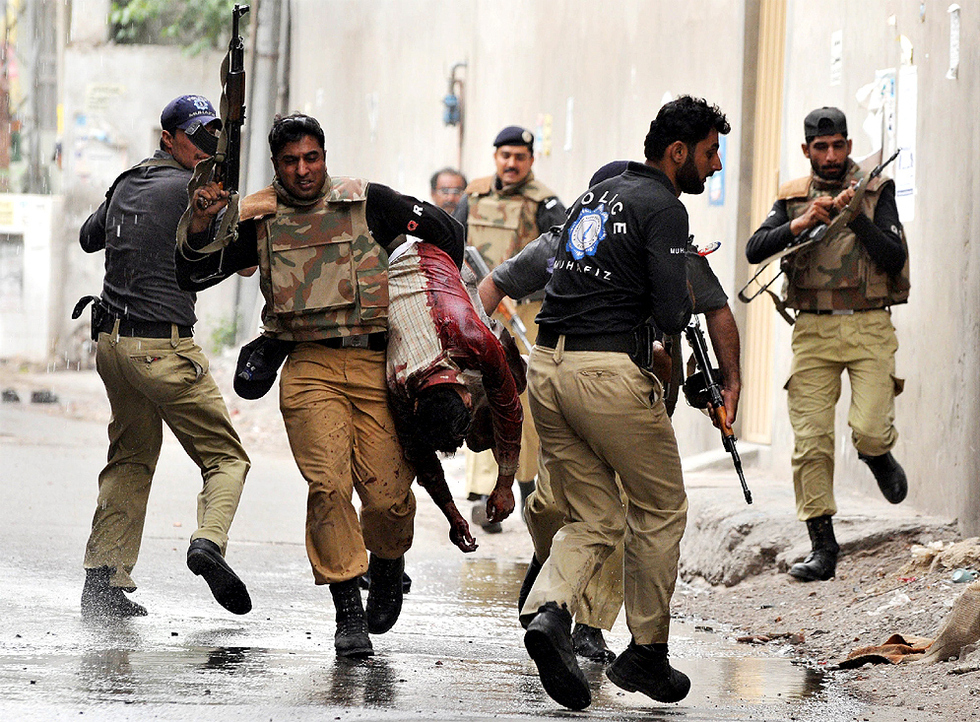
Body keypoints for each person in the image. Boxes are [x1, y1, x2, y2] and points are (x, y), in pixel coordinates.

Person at [175, 113, 464, 659]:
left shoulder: (368, 202)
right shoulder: (257, 218)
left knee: (388, 498)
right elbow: (193, 274)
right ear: (275, 166)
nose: (302, 171)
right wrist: (198, 223)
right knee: (327, 487)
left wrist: (431, 300)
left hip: (377, 368)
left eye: (312, 158)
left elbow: (447, 233)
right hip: (308, 369)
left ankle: (386, 563)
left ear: (325, 157)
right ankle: (346, 612)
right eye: (290, 161)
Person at [479, 162, 741, 665]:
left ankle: (590, 626)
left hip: (633, 394)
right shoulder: (564, 240)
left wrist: (726, 380)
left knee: (621, 510)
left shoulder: (665, 242)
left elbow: (714, 306)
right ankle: (552, 577)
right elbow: (499, 281)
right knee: (554, 506)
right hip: (573, 389)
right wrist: (479, 354)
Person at [518, 96, 730, 710]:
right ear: (678, 151)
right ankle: (647, 653)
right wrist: (677, 375)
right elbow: (671, 311)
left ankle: (553, 617)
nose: (714, 168)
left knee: (595, 516)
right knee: (660, 508)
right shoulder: (663, 205)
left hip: (548, 370)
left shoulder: (598, 195)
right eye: (710, 153)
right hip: (606, 374)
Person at [78, 94, 252, 621]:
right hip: (162, 348)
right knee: (226, 459)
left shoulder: (129, 180)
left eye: (212, 138)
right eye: (197, 138)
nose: (206, 148)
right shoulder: (198, 191)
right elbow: (243, 267)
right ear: (169, 139)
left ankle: (102, 581)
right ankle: (208, 543)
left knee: (131, 456)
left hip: (111, 343)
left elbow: (91, 238)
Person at [745, 107, 909, 583]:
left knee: (870, 429)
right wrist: (800, 224)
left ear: (849, 146)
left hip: (868, 324)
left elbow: (894, 256)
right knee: (811, 440)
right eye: (821, 147)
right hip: (813, 330)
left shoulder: (877, 191)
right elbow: (756, 249)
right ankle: (822, 545)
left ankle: (877, 456)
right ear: (806, 151)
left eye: (838, 145)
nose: (831, 155)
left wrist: (855, 216)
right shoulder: (793, 198)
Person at [454, 125, 566, 532]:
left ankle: (527, 486)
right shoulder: (474, 195)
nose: (512, 163)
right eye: (505, 155)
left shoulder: (546, 202)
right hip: (481, 311)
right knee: (479, 395)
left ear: (531, 161)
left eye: (520, 157)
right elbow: (453, 243)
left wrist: (520, 290)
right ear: (495, 157)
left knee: (526, 399)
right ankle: (485, 493)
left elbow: (566, 256)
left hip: (528, 316)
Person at [385, 238, 526, 551]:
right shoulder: (398, 380)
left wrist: (505, 484)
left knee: (512, 387)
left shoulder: (478, 340)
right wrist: (452, 515)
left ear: (468, 398)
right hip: (402, 274)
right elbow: (421, 456)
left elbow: (510, 409)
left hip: (451, 267)